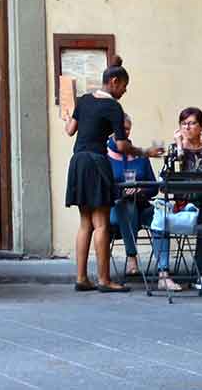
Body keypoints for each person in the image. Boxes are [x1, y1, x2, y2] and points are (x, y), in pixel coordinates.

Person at [61, 61, 139, 293]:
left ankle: (81, 277)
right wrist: (145, 152)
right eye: (124, 86)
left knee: (85, 222)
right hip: (96, 161)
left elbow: (70, 130)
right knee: (101, 223)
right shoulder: (113, 107)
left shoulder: (83, 100)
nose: (124, 91)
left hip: (78, 162)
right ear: (114, 82)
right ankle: (104, 279)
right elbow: (122, 144)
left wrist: (66, 117)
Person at [154, 106, 202, 292]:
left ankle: (200, 272)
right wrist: (179, 147)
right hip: (182, 204)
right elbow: (167, 177)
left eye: (192, 123)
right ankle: (190, 273)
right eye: (183, 124)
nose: (187, 128)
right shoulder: (175, 148)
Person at [106, 115, 158, 280]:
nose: (124, 132)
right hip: (114, 209)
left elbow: (154, 187)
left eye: (127, 128)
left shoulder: (140, 156)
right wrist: (121, 193)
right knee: (126, 205)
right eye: (121, 128)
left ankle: (164, 270)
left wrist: (141, 190)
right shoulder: (103, 155)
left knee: (162, 216)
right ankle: (132, 256)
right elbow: (102, 189)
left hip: (142, 206)